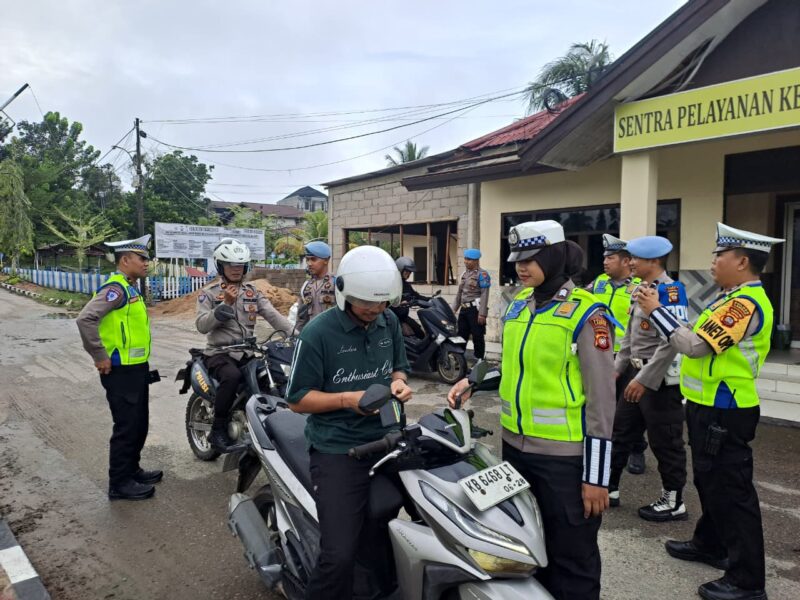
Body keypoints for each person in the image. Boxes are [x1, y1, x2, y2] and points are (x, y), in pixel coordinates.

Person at [449, 220, 615, 600]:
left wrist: (597, 477)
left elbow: (603, 400)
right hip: (517, 452)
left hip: (565, 459)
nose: (521, 267)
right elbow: (514, 369)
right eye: (517, 260)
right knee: (527, 549)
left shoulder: (588, 315)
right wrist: (473, 382)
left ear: (554, 256)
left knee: (573, 558)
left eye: (532, 259)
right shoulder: (519, 306)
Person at [637, 223, 782, 600]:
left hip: (726, 408)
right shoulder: (727, 297)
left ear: (743, 261)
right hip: (707, 405)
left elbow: (696, 347)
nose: (713, 262)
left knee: (732, 491)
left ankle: (747, 581)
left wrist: (656, 312)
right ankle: (710, 543)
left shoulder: (742, 304)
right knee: (708, 480)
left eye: (720, 255)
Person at [286, 245, 412, 600]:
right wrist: (345, 400)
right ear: (343, 293)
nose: (375, 311)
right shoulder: (318, 334)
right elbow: (296, 400)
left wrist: (399, 383)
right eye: (367, 304)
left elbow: (398, 367)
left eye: (383, 303)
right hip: (339, 449)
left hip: (387, 439)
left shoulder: (388, 321)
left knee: (397, 533)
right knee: (338, 555)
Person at [76, 234, 162, 501]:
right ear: (125, 260)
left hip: (135, 368)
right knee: (126, 426)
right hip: (120, 370)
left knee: (139, 424)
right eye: (142, 258)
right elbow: (85, 319)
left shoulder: (130, 287)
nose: (147, 263)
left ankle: (132, 470)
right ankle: (119, 483)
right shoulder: (115, 290)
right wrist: (99, 355)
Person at [610, 235, 689, 521]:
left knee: (665, 440)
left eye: (635, 259)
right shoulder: (639, 290)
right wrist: (617, 370)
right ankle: (610, 488)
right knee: (619, 431)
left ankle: (674, 499)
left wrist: (644, 379)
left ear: (654, 261)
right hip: (633, 372)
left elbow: (671, 343)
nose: (629, 262)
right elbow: (629, 337)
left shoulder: (671, 292)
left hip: (658, 379)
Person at [196, 238, 293, 452]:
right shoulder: (210, 294)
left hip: (247, 351)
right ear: (221, 266)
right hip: (220, 353)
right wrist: (224, 305)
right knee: (232, 377)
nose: (236, 269)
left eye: (240, 265)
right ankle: (218, 429)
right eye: (231, 264)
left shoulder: (252, 293)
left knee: (274, 374)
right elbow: (202, 325)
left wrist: (299, 335)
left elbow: (275, 317)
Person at [590, 234, 648, 475]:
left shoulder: (640, 287)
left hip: (627, 356)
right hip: (600, 353)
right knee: (600, 403)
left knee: (630, 407)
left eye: (610, 258)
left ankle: (637, 448)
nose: (605, 262)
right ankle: (604, 447)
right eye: (604, 257)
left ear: (626, 261)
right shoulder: (599, 282)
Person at [452, 248, 490, 362]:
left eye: (469, 259)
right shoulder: (464, 274)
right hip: (464, 310)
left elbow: (485, 294)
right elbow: (459, 293)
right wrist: (453, 309)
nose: (466, 261)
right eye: (465, 259)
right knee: (460, 336)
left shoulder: (482, 275)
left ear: (476, 261)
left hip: (475, 310)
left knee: (477, 336)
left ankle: (479, 361)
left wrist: (482, 314)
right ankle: (458, 360)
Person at [295, 241, 335, 332]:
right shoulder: (306, 286)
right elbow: (301, 318)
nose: (309, 263)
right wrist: (296, 337)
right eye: (307, 259)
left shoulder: (336, 284)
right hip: (312, 337)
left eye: (313, 259)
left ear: (326, 260)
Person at [390, 256, 429, 339]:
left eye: (410, 272)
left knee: (419, 333)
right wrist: (398, 303)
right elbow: (386, 302)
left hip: (403, 317)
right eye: (407, 271)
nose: (409, 274)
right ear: (400, 270)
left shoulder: (406, 285)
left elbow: (416, 296)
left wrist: (430, 299)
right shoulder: (391, 284)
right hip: (392, 318)